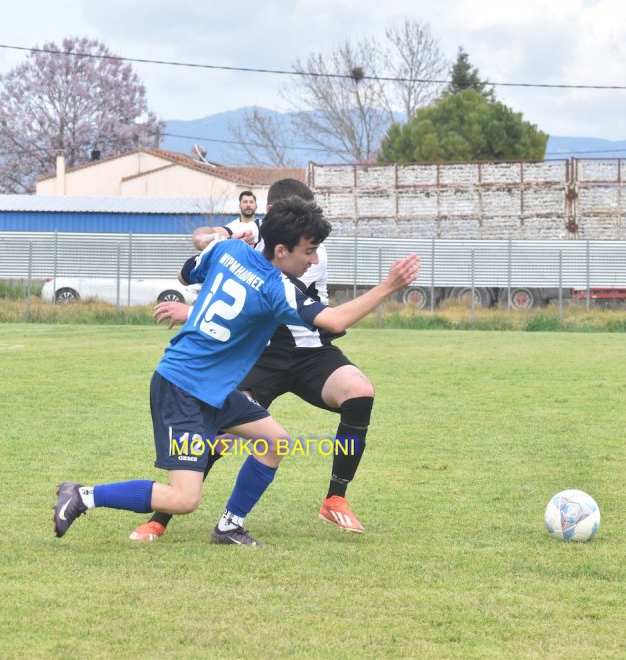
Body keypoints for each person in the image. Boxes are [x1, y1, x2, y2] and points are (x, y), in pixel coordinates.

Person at [53, 197, 420, 546]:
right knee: (183, 499)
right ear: (281, 250)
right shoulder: (279, 289)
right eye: (308, 251)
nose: (313, 259)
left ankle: (230, 525)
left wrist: (219, 242)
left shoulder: (227, 250)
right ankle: (83, 495)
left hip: (211, 387)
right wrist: (389, 286)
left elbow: (185, 275)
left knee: (275, 441)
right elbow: (335, 320)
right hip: (183, 388)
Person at [131, 178, 372, 543]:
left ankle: (335, 496)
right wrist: (208, 245)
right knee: (219, 433)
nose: (313, 256)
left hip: (310, 350)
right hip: (262, 353)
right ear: (272, 212)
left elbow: (251, 297)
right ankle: (161, 516)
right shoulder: (250, 237)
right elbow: (207, 245)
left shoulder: (306, 247)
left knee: (359, 391)